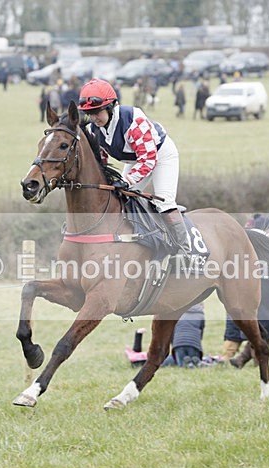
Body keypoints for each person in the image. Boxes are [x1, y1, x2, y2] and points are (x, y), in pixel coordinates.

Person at [78, 78, 194, 264]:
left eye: (97, 112)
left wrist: (127, 181)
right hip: (134, 158)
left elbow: (149, 159)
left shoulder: (133, 119)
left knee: (164, 203)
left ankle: (186, 251)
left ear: (110, 107)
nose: (93, 118)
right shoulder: (94, 129)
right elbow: (102, 161)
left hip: (160, 154)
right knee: (121, 197)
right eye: (89, 114)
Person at [228, 214, 269, 369]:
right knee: (260, 331)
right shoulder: (261, 247)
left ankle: (241, 359)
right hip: (264, 296)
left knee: (261, 331)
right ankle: (258, 362)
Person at [166, 304, 205, 368]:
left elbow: (171, 332)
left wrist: (174, 344)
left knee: (180, 364)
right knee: (194, 361)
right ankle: (195, 362)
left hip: (178, 343)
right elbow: (201, 332)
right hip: (194, 344)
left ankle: (187, 363)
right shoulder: (200, 314)